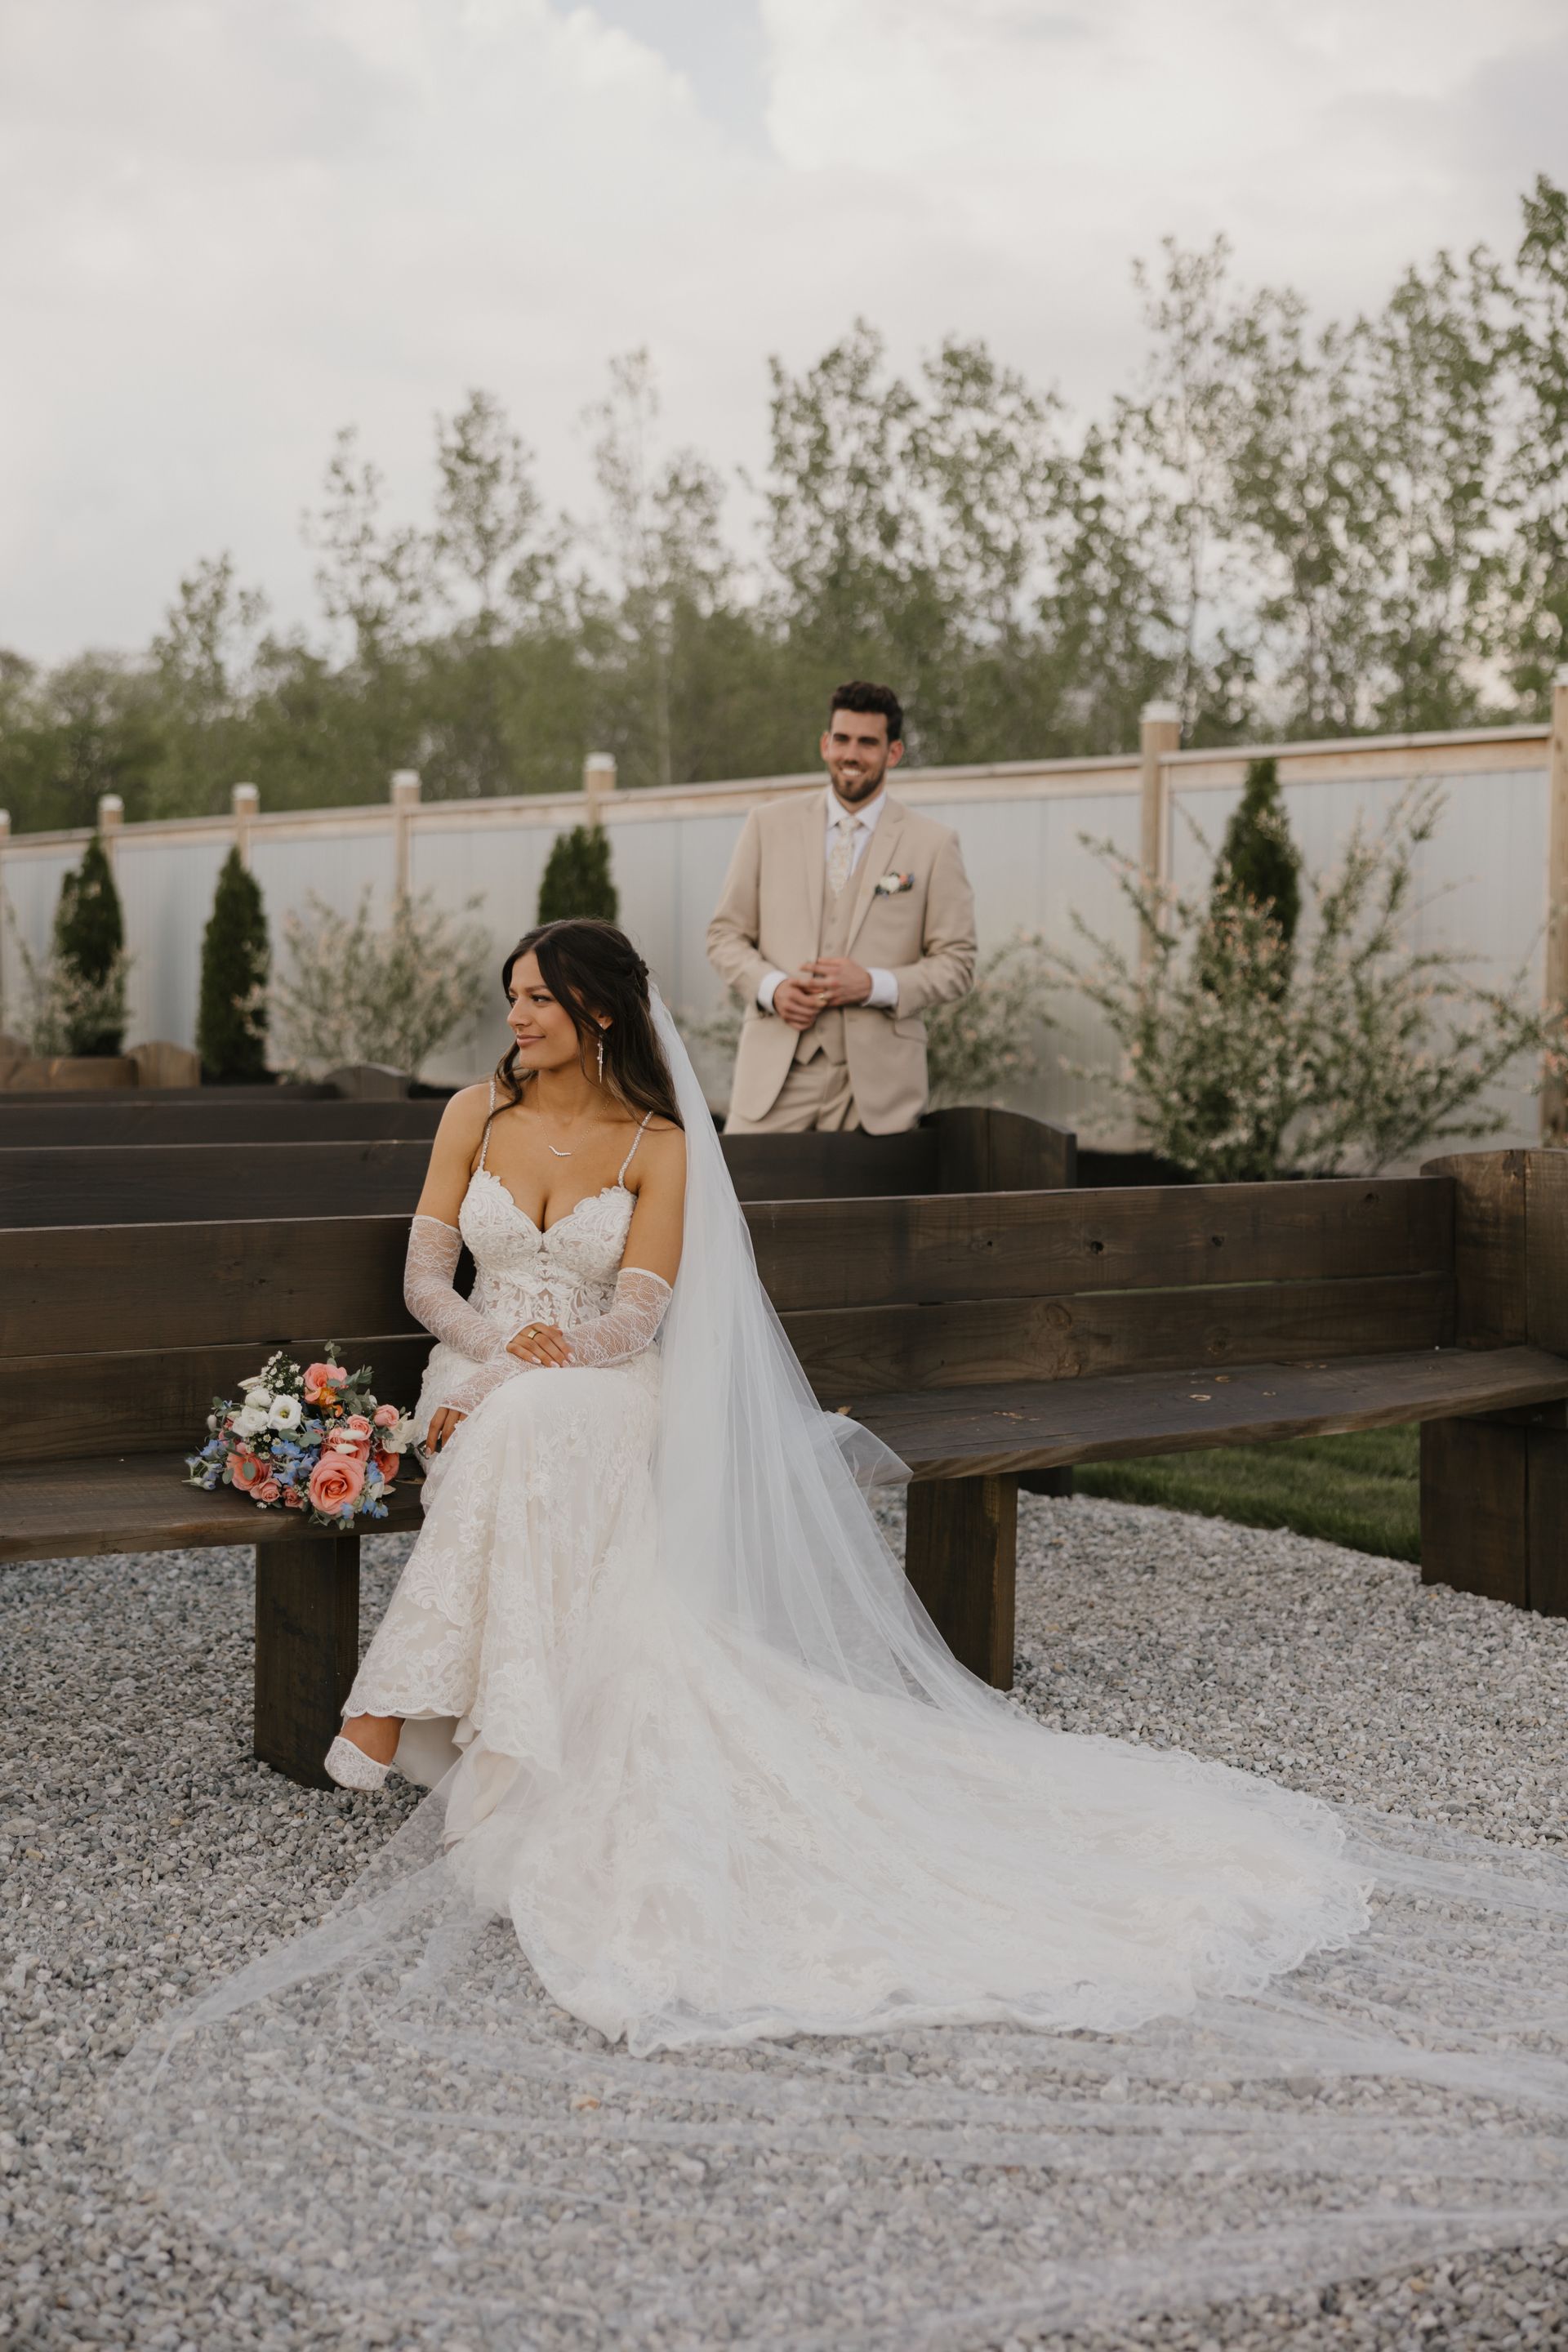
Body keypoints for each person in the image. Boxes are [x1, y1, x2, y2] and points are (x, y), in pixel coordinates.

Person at [122, 915, 1568, 2341]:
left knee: (545, 1435)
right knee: (506, 1428)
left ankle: (413, 1705)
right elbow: (427, 1282)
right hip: (481, 1369)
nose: (519, 1020)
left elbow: (644, 1311)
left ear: (602, 1014)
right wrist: (504, 1345)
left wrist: (569, 1354)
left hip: (612, 1391)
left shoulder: (665, 1148)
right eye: (512, 999)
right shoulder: (471, 1114)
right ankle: (440, 1703)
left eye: (541, 1002)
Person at [706, 679, 976, 1133]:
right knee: (747, 1200)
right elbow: (724, 936)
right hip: (775, 1077)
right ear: (825, 745)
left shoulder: (933, 844)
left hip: (878, 1090)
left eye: (868, 743)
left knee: (867, 1206)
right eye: (843, 740)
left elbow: (958, 964)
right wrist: (772, 988)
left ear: (893, 753)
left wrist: (874, 984)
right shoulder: (767, 826)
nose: (852, 754)